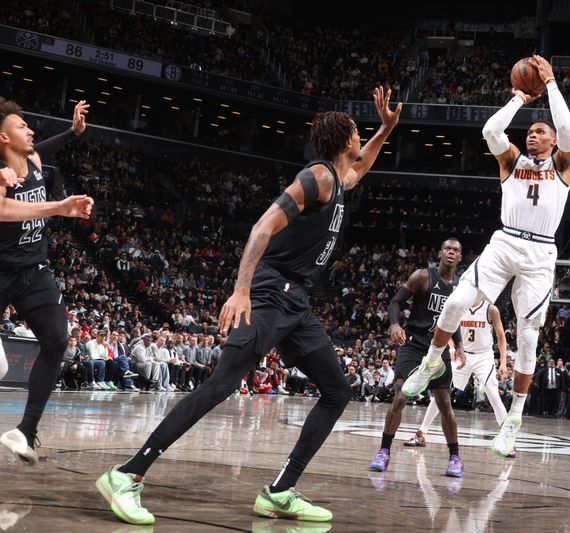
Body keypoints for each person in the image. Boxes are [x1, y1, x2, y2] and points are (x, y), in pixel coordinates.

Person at [95, 87, 402, 525]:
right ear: (343, 139)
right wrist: (242, 291)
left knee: (337, 391)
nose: (361, 137)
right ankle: (127, 475)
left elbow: (362, 167)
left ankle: (280, 491)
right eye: (358, 131)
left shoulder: (338, 180)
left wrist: (387, 128)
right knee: (220, 385)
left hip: (297, 304)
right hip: (270, 293)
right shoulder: (315, 178)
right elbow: (262, 227)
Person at [399, 55, 570, 457]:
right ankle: (431, 362)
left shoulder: (565, 164)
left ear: (552, 142)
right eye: (530, 132)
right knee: (459, 300)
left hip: (539, 253)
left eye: (538, 132)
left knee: (528, 339)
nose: (532, 136)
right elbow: (490, 129)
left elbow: (565, 126)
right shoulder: (512, 161)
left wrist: (549, 84)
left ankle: (512, 421)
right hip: (505, 242)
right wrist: (519, 98)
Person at [0, 98, 93, 464]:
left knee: (57, 341)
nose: (30, 130)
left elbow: (44, 147)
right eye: (22, 127)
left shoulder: (34, 161)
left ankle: (25, 431)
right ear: (3, 137)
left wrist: (73, 131)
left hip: (33, 271)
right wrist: (60, 207)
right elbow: (3, 211)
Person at [368, 239, 466, 478]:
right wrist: (394, 324)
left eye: (456, 250)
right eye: (447, 249)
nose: (451, 253)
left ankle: (455, 458)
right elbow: (396, 302)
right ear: (440, 253)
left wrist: (460, 345)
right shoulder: (423, 276)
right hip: (414, 344)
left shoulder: (461, 287)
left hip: (439, 347)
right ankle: (384, 451)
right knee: (401, 396)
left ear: (460, 257)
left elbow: (454, 320)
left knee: (444, 404)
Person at [404, 298, 512, 455]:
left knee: (493, 393)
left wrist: (503, 362)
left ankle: (508, 440)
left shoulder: (491, 309)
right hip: (463, 354)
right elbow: (445, 328)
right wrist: (453, 348)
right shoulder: (459, 305)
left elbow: (501, 336)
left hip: (484, 356)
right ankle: (421, 433)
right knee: (441, 392)